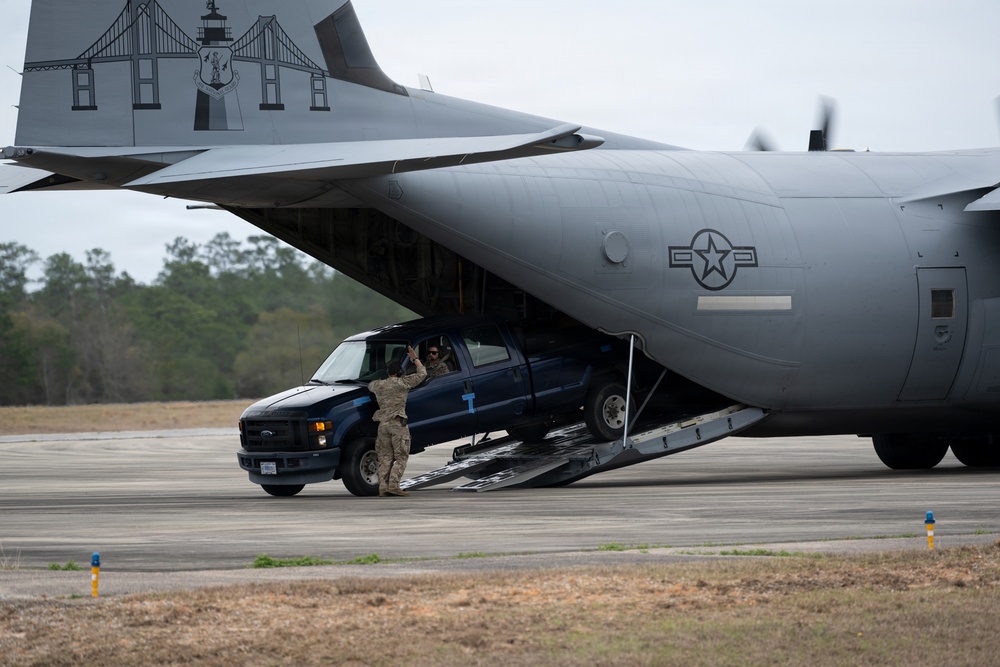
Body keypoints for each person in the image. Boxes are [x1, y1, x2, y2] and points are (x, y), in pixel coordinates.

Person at [367, 346, 426, 497]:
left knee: (385, 458)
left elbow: (370, 384)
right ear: (400, 372)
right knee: (401, 457)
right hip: (397, 425)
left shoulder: (379, 385)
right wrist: (415, 358)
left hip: (383, 426)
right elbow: (422, 374)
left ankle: (383, 487)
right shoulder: (403, 383)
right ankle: (394, 485)